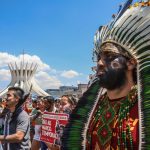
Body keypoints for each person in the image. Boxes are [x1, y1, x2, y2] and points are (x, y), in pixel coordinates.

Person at [62, 1, 150, 149]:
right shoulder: (91, 110)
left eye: (109, 55)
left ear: (130, 63)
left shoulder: (143, 108)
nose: (100, 63)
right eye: (98, 58)